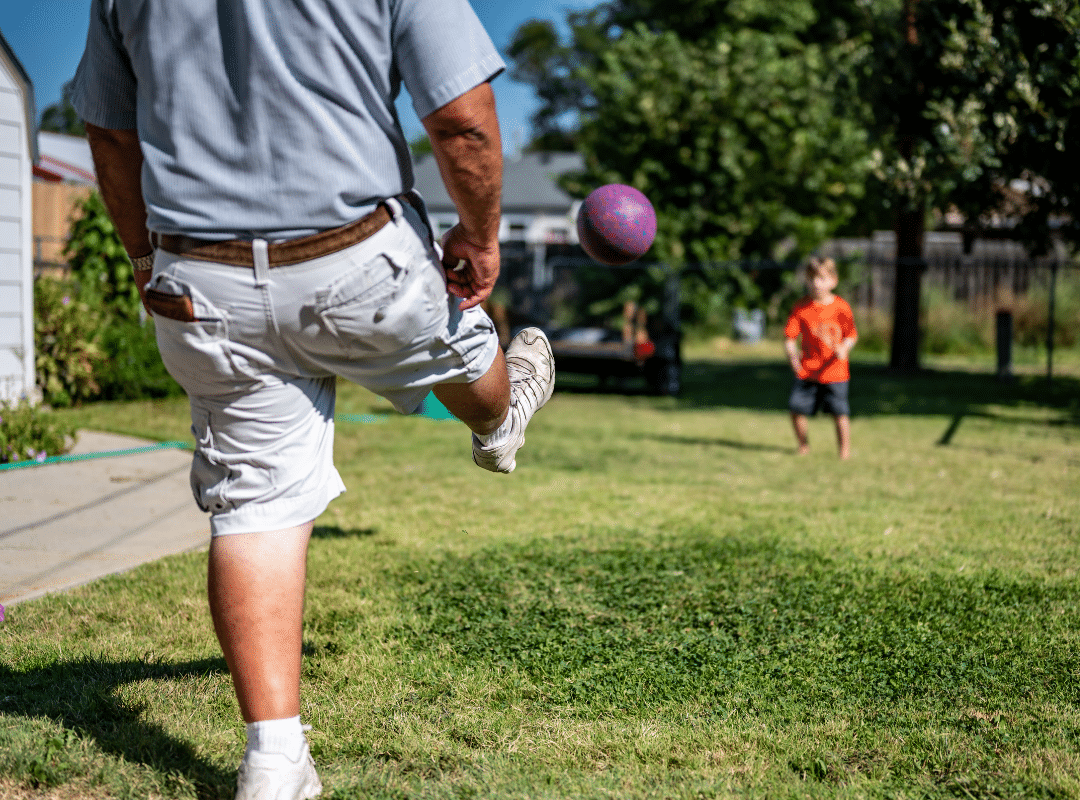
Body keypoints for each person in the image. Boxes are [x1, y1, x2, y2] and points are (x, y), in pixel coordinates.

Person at [70, 1, 554, 797]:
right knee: (469, 347)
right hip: (356, 259)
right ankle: (502, 419)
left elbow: (111, 133)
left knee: (256, 504)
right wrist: (479, 234)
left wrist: (141, 259)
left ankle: (273, 760)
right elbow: (461, 120)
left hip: (204, 279)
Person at [783, 257, 858, 459]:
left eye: (822, 278)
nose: (816, 283)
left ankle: (844, 451)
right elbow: (790, 338)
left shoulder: (841, 307)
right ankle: (803, 446)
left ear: (833, 281)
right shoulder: (801, 308)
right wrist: (793, 357)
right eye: (811, 278)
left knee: (839, 413)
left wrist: (844, 348)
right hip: (807, 371)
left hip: (835, 372)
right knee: (796, 409)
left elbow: (851, 335)